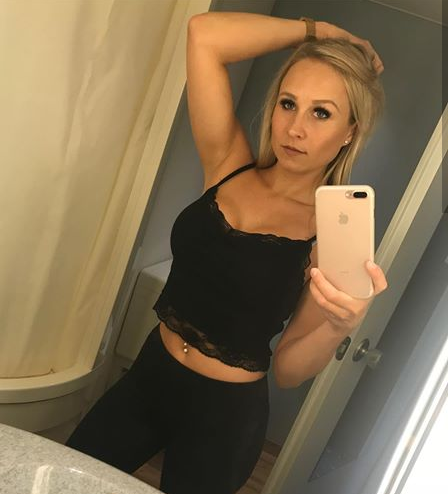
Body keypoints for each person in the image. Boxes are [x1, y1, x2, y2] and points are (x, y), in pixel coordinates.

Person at [66, 12, 388, 494]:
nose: (295, 128)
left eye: (321, 113)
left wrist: (339, 326)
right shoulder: (228, 165)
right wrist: (323, 32)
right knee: (60, 479)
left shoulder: (329, 237)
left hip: (224, 419)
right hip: (150, 374)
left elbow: (288, 371)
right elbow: (204, 35)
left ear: (349, 131)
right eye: (288, 103)